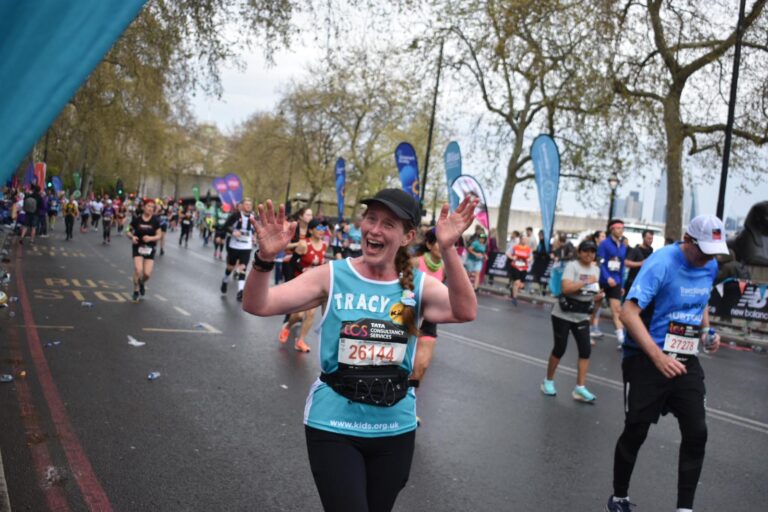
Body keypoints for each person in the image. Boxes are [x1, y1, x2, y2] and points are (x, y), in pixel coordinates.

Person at [242, 188, 478, 512]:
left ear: (408, 235)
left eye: (388, 224)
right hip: (334, 425)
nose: (375, 230)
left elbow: (466, 310)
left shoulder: (417, 286)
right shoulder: (333, 276)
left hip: (395, 428)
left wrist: (449, 247)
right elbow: (258, 303)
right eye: (371, 219)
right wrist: (264, 259)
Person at [605, 215, 727, 512]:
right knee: (636, 430)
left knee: (697, 431)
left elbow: (701, 302)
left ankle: (684, 508)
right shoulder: (660, 263)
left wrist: (707, 331)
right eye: (704, 251)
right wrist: (658, 357)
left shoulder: (709, 264)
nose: (709, 258)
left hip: (684, 359)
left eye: (714, 252)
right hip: (647, 358)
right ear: (688, 240)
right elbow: (627, 314)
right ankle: (619, 497)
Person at [541, 240, 604, 402]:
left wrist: (597, 299)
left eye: (592, 251)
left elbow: (592, 295)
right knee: (560, 349)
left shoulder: (596, 270)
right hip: (563, 314)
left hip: (582, 315)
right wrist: (584, 281)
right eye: (586, 251)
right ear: (579, 252)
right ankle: (548, 381)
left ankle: (579, 388)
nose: (589, 254)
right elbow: (566, 288)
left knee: (585, 350)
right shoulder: (572, 266)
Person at [281, 218, 329, 353]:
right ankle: (287, 326)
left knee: (311, 314)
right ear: (310, 230)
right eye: (318, 228)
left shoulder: (325, 245)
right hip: (301, 283)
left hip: (316, 285)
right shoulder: (303, 244)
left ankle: (300, 341)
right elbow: (292, 263)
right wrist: (302, 270)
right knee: (298, 315)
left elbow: (321, 264)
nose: (321, 231)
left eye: (323, 229)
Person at [598, 219, 628, 349]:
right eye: (618, 228)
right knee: (594, 307)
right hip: (602, 280)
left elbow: (621, 267)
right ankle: (587, 329)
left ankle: (621, 339)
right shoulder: (604, 244)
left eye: (622, 228)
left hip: (615, 281)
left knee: (617, 310)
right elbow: (600, 262)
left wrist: (621, 285)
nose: (621, 230)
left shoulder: (622, 246)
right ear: (612, 229)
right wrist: (606, 277)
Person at [220, 199, 257, 302]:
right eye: (246, 204)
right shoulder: (235, 215)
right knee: (231, 267)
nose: (249, 206)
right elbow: (225, 227)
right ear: (241, 205)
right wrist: (233, 232)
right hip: (234, 246)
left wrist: (254, 236)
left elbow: (255, 229)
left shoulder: (253, 217)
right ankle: (225, 280)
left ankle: (240, 291)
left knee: (243, 267)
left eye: (250, 204)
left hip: (246, 247)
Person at [127, 200, 162, 301]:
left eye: (152, 207)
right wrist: (132, 237)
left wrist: (151, 238)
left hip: (149, 248)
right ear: (143, 207)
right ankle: (136, 290)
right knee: (138, 270)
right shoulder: (137, 220)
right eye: (148, 206)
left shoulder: (155, 221)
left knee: (147, 274)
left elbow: (159, 235)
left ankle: (141, 282)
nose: (150, 208)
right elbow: (127, 230)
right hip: (138, 246)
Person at [623, 229, 654, 296]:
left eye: (652, 239)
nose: (650, 241)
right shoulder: (636, 250)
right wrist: (640, 263)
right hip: (633, 281)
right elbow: (626, 262)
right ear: (643, 238)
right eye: (648, 238)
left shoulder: (651, 250)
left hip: (645, 283)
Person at [507, 234, 532, 306]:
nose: (525, 241)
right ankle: (514, 298)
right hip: (515, 266)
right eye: (524, 239)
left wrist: (529, 259)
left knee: (521, 285)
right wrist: (512, 258)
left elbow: (531, 257)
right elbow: (507, 253)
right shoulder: (515, 247)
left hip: (524, 267)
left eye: (526, 239)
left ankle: (512, 289)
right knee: (517, 282)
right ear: (520, 239)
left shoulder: (528, 249)